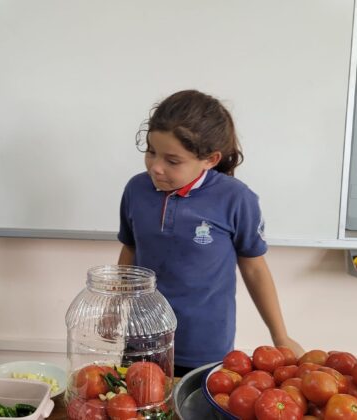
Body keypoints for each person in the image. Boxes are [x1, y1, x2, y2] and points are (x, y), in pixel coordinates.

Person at [117, 90, 303, 377]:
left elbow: (254, 269)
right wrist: (114, 306)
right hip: (142, 338)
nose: (156, 167)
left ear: (210, 159)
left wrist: (280, 336)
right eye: (151, 151)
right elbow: (130, 251)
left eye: (172, 160)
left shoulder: (236, 199)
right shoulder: (136, 190)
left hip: (204, 346)